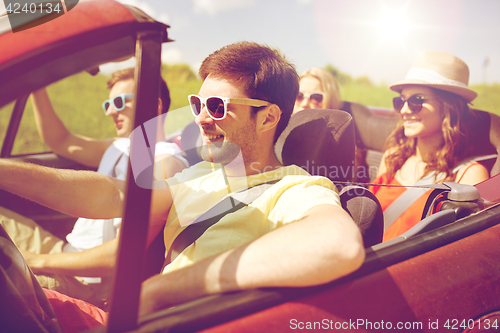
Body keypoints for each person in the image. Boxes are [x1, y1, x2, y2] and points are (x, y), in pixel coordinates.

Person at [0, 42, 365, 329]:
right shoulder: (198, 176)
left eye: (218, 107)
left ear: (268, 117)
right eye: (198, 104)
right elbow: (116, 195)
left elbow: (339, 245)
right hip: (133, 319)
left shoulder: (296, 188)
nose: (202, 119)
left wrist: (160, 290)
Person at [0, 68, 188, 305]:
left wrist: (37, 260)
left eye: (119, 102)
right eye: (108, 104)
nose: (110, 111)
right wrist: (38, 84)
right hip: (62, 252)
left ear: (154, 106)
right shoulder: (119, 146)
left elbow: (119, 255)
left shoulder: (167, 162)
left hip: (86, 284)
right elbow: (60, 141)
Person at [370, 50, 489, 242]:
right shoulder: (393, 157)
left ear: (449, 107)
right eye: (400, 101)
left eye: (417, 100)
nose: (405, 110)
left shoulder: (468, 175)